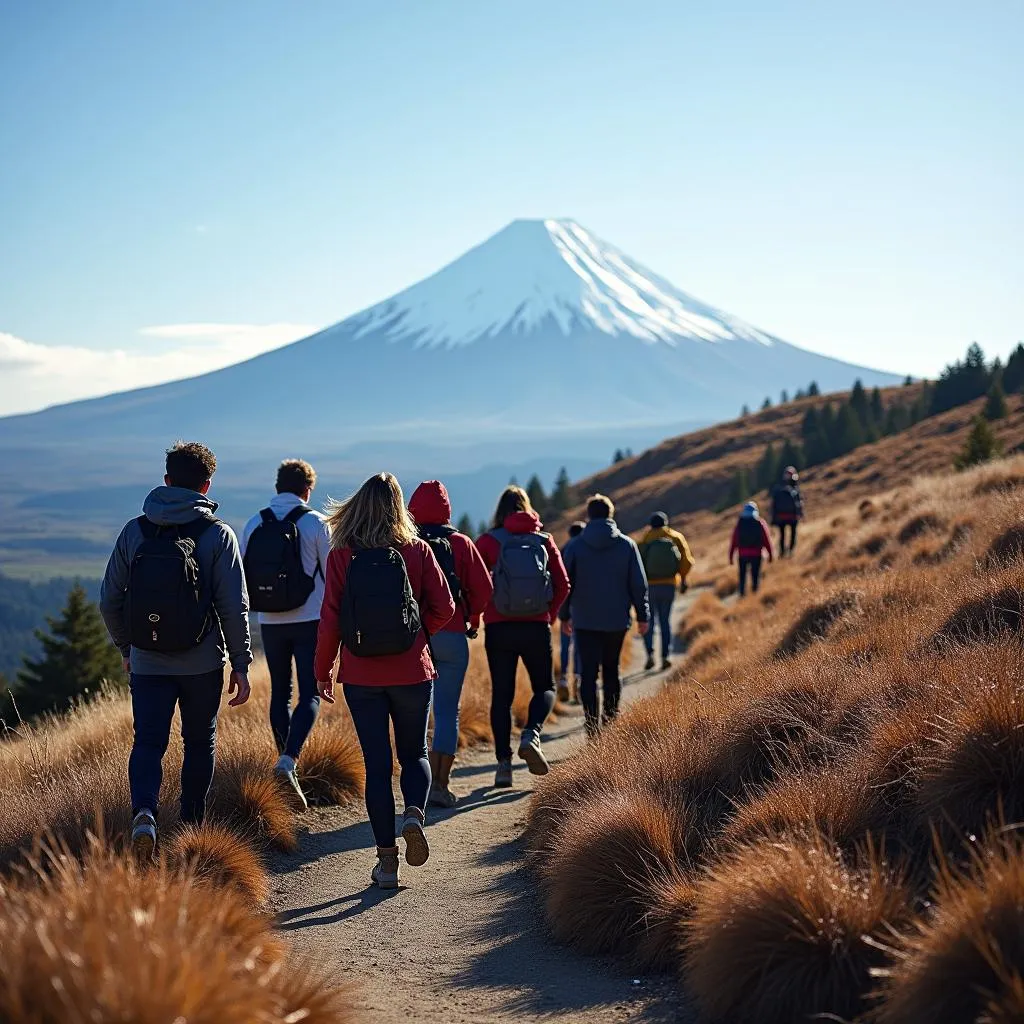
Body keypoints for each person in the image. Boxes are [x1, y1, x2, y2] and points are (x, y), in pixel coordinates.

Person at [99, 441, 252, 861]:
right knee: (199, 739)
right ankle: (190, 826)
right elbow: (233, 606)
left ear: (166, 481)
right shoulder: (217, 534)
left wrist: (128, 646)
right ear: (207, 485)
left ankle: (145, 813)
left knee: (148, 741)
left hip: (147, 661)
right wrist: (240, 663)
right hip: (201, 662)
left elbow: (109, 600)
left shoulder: (135, 531)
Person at [314, 473, 455, 890]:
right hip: (412, 670)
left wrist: (323, 671)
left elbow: (330, 621)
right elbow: (445, 606)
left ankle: (387, 864)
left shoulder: (343, 555)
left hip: (361, 675)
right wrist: (419, 636)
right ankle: (413, 813)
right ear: (398, 508)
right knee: (414, 754)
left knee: (377, 767)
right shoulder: (418, 550)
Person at [240, 459, 331, 810]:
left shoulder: (254, 523)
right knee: (310, 693)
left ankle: (284, 764)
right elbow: (332, 573)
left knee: (281, 693)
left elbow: (243, 574)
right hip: (310, 619)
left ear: (278, 485)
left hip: (270, 620)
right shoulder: (315, 522)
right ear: (307, 489)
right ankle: (288, 761)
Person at [475, 486, 570, 788]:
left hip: (499, 628)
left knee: (501, 696)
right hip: (535, 627)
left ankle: (503, 766)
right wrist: (549, 614)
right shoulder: (543, 540)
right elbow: (563, 584)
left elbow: (475, 583)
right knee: (545, 687)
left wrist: (481, 613)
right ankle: (531, 733)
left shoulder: (489, 541)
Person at [408, 480, 493, 809]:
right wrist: (474, 617)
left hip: (416, 640)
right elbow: (483, 588)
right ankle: (441, 786)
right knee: (447, 713)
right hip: (454, 636)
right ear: (446, 509)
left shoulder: (408, 543)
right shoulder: (460, 543)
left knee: (418, 712)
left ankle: (420, 786)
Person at [560, 495, 649, 736]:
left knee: (588, 673)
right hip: (616, 619)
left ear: (588, 516)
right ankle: (610, 724)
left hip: (585, 619)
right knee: (612, 669)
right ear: (611, 514)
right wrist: (643, 615)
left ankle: (592, 729)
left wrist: (564, 615)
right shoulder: (626, 545)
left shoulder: (575, 546)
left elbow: (566, 584)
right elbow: (638, 585)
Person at [638, 511, 694, 671]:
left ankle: (649, 654)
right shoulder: (675, 537)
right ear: (666, 523)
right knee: (665, 621)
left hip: (649, 586)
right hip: (669, 584)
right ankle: (665, 656)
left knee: (649, 621)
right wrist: (683, 579)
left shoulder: (645, 539)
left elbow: (638, 563)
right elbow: (686, 561)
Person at [558, 521, 585, 702]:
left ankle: (562, 680)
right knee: (579, 645)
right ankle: (577, 678)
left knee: (565, 644)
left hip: (565, 603)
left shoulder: (563, 550)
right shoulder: (585, 549)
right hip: (583, 605)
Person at [729, 501, 774, 596]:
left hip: (742, 554)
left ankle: (742, 595)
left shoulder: (740, 523)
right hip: (756, 554)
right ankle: (754, 595)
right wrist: (770, 554)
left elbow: (734, 540)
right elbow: (766, 539)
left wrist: (731, 556)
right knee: (755, 576)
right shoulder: (760, 522)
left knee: (742, 576)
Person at [771, 466, 804, 557]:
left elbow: (774, 504)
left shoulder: (779, 488)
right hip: (793, 516)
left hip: (781, 516)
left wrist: (774, 518)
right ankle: (791, 551)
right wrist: (800, 514)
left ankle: (782, 552)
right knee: (793, 534)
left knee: (782, 535)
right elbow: (799, 503)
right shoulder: (795, 489)